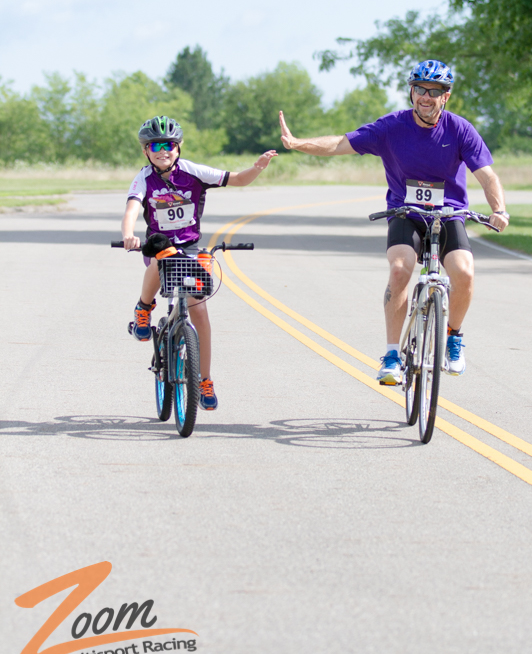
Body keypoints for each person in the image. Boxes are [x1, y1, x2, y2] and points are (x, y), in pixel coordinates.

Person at [279, 60, 509, 382]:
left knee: (465, 273)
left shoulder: (459, 129)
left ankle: (453, 336)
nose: (425, 97)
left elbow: (487, 175)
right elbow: (341, 143)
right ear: (411, 91)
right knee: (401, 269)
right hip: (405, 213)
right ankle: (390, 355)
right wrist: (297, 143)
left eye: (434, 91)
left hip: (448, 214)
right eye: (420, 89)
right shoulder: (392, 127)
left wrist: (499, 209)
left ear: (446, 96)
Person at [121, 115, 277, 410]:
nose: (162, 150)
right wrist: (129, 235)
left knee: (201, 313)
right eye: (155, 145)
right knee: (160, 258)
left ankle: (204, 380)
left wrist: (257, 167)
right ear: (146, 151)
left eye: (169, 144)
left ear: (178, 147)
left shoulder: (193, 172)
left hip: (191, 250)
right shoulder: (143, 178)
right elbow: (131, 209)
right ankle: (143, 308)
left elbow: (238, 179)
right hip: (158, 246)